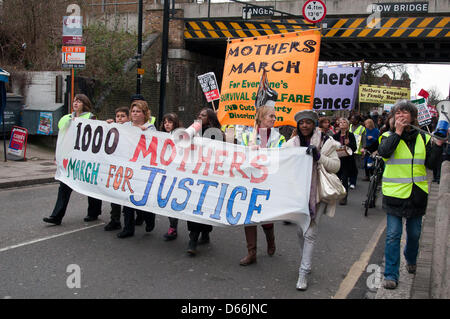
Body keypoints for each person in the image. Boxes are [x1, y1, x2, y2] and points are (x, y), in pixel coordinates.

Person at [378, 100, 444, 289]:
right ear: (393, 117)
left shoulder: (423, 138)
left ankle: (411, 258)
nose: (401, 116)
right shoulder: (387, 136)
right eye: (397, 113)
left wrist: (438, 145)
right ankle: (391, 274)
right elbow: (384, 152)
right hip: (395, 195)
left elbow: (431, 164)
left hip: (417, 195)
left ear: (413, 117)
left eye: (405, 112)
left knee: (414, 234)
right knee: (393, 235)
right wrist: (398, 133)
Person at [284, 110, 341, 290]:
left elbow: (336, 166)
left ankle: (303, 272)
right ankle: (305, 260)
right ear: (298, 125)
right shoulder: (292, 143)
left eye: (309, 122)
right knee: (301, 232)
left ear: (314, 124)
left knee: (310, 233)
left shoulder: (327, 142)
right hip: (299, 194)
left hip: (319, 194)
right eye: (302, 123)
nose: (305, 126)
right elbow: (279, 160)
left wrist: (318, 156)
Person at [43, 94, 102, 225]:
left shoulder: (91, 117)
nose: (76, 103)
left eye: (79, 101)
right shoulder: (66, 118)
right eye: (75, 101)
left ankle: (94, 212)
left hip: (85, 159)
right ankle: (56, 216)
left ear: (85, 104)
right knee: (64, 186)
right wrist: (57, 156)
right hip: (70, 159)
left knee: (90, 186)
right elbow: (62, 139)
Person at [239, 105, 286, 266]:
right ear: (261, 118)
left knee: (265, 215)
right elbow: (238, 153)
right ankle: (251, 252)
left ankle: (270, 240)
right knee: (248, 216)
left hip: (268, 181)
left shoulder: (279, 137)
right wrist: (248, 150)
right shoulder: (246, 135)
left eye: (274, 116)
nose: (274, 119)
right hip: (249, 180)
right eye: (270, 116)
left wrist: (264, 153)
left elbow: (281, 156)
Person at [116, 100, 157, 239]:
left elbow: (154, 148)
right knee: (127, 197)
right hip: (127, 167)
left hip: (142, 169)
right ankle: (128, 228)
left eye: (138, 111)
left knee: (140, 198)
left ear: (144, 114)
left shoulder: (150, 128)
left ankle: (149, 217)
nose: (134, 114)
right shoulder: (125, 125)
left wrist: (145, 134)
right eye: (133, 111)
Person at [186, 107, 224, 256]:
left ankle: (204, 233)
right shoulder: (193, 129)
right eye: (199, 114)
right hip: (194, 173)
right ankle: (193, 238)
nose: (199, 116)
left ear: (211, 118)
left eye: (203, 115)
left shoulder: (216, 133)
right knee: (193, 206)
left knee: (204, 206)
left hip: (209, 175)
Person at [104, 106, 130, 231]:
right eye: (118, 116)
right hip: (115, 166)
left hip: (128, 167)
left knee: (125, 195)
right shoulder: (113, 128)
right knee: (114, 194)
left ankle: (130, 220)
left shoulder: (132, 130)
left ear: (128, 118)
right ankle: (115, 220)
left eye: (123, 116)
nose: (120, 119)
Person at [159, 112, 181, 241]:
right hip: (164, 172)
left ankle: (174, 227)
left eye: (170, 122)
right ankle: (173, 227)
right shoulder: (159, 136)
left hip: (176, 173)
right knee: (167, 199)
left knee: (173, 199)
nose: (167, 124)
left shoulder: (181, 136)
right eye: (165, 122)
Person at [333, 118, 357, 205]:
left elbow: (354, 148)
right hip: (337, 160)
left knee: (344, 179)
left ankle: (344, 198)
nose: (342, 124)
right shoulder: (335, 136)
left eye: (344, 122)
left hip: (347, 161)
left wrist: (349, 144)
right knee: (337, 179)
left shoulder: (350, 135)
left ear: (347, 125)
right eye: (340, 122)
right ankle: (337, 195)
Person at [349, 114, 366, 189]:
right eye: (351, 119)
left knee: (355, 167)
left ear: (357, 120)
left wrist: (363, 148)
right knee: (349, 166)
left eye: (353, 119)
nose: (351, 120)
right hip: (349, 149)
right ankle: (349, 179)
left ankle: (353, 182)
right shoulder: (349, 126)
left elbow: (364, 140)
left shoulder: (362, 128)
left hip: (357, 150)